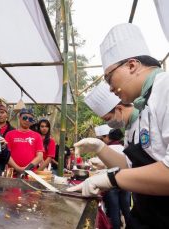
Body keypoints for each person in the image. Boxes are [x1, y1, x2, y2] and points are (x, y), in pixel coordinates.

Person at [67, 23, 169, 228]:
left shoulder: (166, 88)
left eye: (109, 78)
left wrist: (111, 179)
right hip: (146, 214)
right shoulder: (146, 103)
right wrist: (100, 148)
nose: (110, 88)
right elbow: (133, 168)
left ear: (132, 65)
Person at [5, 108, 44, 174]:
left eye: (30, 119)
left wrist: (27, 168)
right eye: (25, 117)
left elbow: (40, 156)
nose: (27, 120)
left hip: (30, 174)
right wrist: (17, 168)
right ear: (19, 117)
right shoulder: (9, 134)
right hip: (12, 173)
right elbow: (6, 154)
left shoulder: (37, 136)